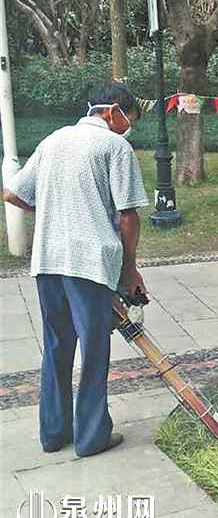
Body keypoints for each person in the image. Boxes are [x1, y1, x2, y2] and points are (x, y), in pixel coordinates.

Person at [3, 81, 149, 457]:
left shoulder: (54, 140)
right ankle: (91, 437)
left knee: (56, 346)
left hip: (48, 260)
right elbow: (128, 215)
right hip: (89, 263)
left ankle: (53, 435)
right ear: (112, 110)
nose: (127, 126)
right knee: (94, 350)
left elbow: (14, 193)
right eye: (127, 118)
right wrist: (129, 270)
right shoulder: (116, 147)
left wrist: (55, 210)